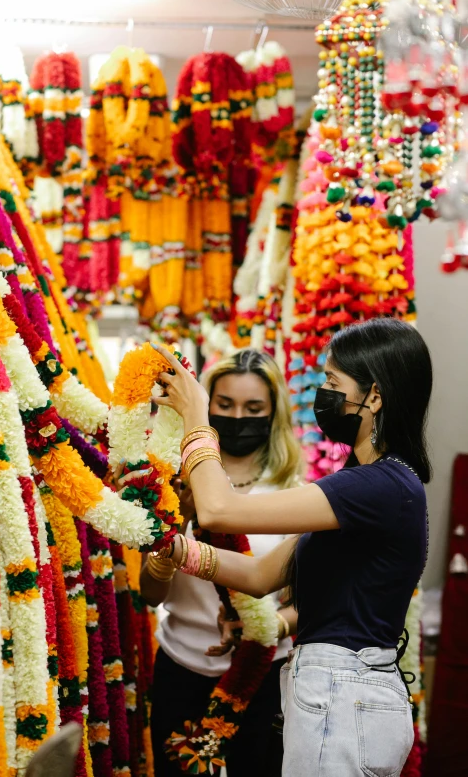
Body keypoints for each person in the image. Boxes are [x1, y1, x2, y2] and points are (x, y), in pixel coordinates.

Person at [151, 318, 431, 777]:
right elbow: (259, 576)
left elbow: (220, 511)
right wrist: (165, 542)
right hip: (334, 692)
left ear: (374, 396)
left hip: (346, 695)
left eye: (332, 383)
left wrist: (197, 416)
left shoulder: (378, 486)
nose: (322, 395)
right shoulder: (360, 488)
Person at [140, 349, 303, 777]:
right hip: (181, 668)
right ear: (205, 407)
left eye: (253, 408)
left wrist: (267, 626)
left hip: (266, 677)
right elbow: (150, 593)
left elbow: (312, 600)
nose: (237, 418)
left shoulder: (296, 492)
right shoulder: (171, 481)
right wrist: (174, 529)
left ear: (273, 414)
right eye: (224, 406)